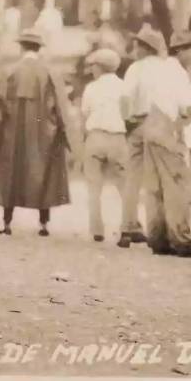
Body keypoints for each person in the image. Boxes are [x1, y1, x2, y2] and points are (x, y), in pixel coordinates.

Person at [122, 25, 191, 257]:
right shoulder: (176, 70)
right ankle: (182, 240)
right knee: (177, 185)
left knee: (154, 186)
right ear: (180, 52)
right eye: (190, 50)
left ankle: (158, 238)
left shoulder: (152, 68)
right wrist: (183, 124)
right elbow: (188, 105)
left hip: (149, 125)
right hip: (167, 126)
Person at [0, 29, 75, 236]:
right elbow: (61, 106)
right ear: (38, 48)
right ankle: (43, 224)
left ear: (21, 47)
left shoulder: (8, 71)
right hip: (43, 132)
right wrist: (64, 131)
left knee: (10, 171)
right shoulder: (50, 72)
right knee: (45, 172)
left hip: (12, 131)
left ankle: (7, 223)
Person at [79, 48, 130, 243]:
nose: (92, 69)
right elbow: (128, 113)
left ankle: (97, 230)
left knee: (94, 186)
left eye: (94, 66)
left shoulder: (91, 88)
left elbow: (85, 113)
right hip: (118, 137)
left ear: (99, 67)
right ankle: (126, 228)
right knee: (124, 186)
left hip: (96, 136)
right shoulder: (124, 87)